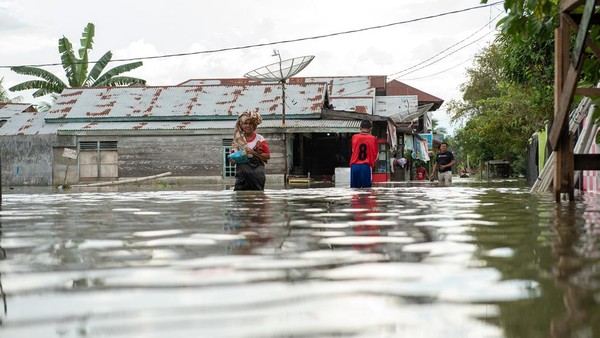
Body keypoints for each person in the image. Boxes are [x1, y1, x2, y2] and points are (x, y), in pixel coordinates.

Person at [230, 110, 271, 191]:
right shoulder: (237, 140)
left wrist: (253, 152)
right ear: (241, 126)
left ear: (254, 126)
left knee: (257, 199)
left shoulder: (260, 139)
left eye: (250, 124)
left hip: (257, 177)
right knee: (240, 198)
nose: (248, 126)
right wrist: (233, 160)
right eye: (245, 123)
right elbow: (233, 157)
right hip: (242, 177)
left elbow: (267, 156)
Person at [350, 119, 378, 188]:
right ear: (371, 128)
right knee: (367, 191)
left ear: (360, 128)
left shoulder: (354, 137)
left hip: (354, 166)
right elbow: (376, 154)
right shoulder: (373, 138)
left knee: (354, 191)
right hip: (366, 167)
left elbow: (353, 150)